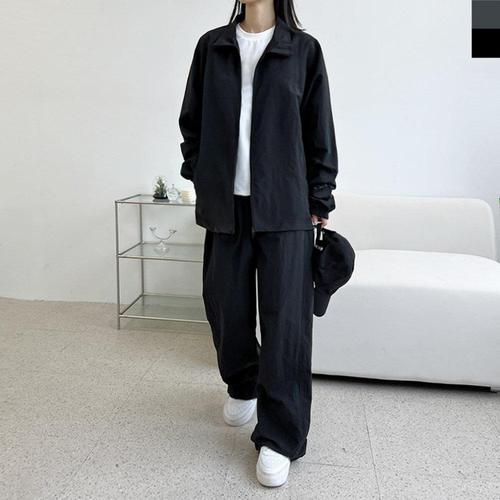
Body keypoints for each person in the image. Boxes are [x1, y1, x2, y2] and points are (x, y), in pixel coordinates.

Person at [178, 0, 338, 488]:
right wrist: (200, 174)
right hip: (226, 207)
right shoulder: (212, 47)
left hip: (285, 207)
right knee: (225, 306)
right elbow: (191, 122)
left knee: (286, 322)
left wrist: (320, 196)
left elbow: (319, 128)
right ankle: (243, 383)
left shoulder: (303, 50)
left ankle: (280, 435)